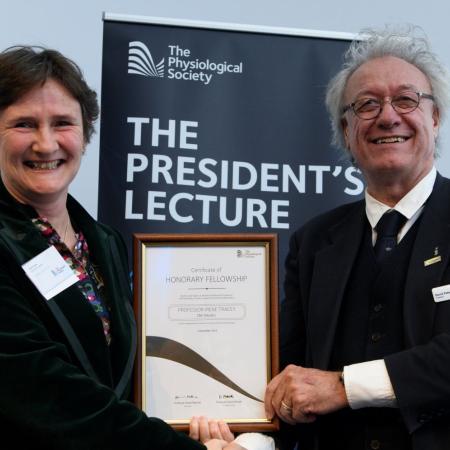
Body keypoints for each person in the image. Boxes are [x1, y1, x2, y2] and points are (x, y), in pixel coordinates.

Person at [0, 45, 247, 450]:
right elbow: (43, 389)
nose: (46, 145)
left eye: (62, 122)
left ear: (85, 133)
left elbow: (119, 377)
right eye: (24, 124)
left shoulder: (103, 242)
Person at [264, 25, 450, 450]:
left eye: (406, 99)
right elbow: (288, 372)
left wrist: (344, 386)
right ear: (346, 131)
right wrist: (245, 436)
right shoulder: (313, 242)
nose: (387, 116)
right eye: (367, 105)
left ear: (435, 118)